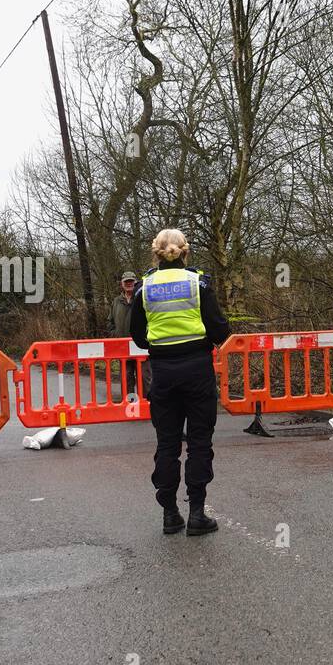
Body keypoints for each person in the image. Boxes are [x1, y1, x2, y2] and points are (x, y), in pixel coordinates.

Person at [129, 229, 231, 536]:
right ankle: (197, 514)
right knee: (199, 441)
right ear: (185, 251)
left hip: (162, 373)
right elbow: (219, 330)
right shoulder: (198, 282)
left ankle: (170, 514)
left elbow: (137, 336)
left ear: (156, 253)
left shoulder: (143, 287)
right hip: (198, 370)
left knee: (167, 444)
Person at [109, 271, 141, 396]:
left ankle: (146, 406)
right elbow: (110, 321)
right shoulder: (116, 301)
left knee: (144, 377)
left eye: (131, 281)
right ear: (122, 284)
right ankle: (130, 404)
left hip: (140, 346)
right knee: (126, 377)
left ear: (136, 282)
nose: (129, 284)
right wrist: (114, 334)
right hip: (122, 347)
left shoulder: (141, 298)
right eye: (126, 282)